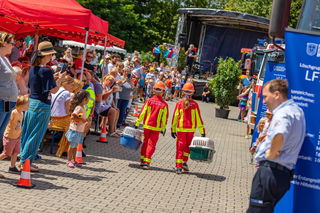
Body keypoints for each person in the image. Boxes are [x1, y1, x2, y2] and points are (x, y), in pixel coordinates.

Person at [247, 79, 306, 213]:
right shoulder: (297, 111)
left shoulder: (283, 113)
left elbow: (280, 133)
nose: (264, 101)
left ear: (277, 95)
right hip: (282, 175)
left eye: (265, 96)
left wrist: (271, 153)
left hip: (270, 171)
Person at [20, 41, 63, 172]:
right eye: (50, 55)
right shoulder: (46, 70)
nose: (51, 57)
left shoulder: (32, 68)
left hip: (31, 103)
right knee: (36, 135)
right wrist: (60, 80)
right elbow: (54, 90)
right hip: (42, 106)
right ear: (46, 55)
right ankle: (26, 162)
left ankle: (23, 159)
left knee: (27, 133)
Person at [171, 82, 205, 174]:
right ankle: (184, 162)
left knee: (180, 147)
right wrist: (202, 131)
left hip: (181, 130)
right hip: (191, 130)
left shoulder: (179, 103)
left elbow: (175, 117)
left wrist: (173, 130)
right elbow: (198, 118)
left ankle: (178, 167)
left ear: (183, 92)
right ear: (193, 93)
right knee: (187, 147)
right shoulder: (194, 104)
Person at [134, 81, 168, 170]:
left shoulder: (149, 101)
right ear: (163, 91)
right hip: (156, 128)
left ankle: (142, 160)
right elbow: (164, 119)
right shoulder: (164, 104)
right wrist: (163, 128)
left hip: (147, 126)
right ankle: (147, 162)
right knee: (151, 144)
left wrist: (137, 123)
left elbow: (142, 112)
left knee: (145, 142)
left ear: (153, 91)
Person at [0, 32, 19, 155]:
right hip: (2, 100)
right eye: (11, 43)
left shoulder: (5, 59)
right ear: (4, 43)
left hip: (8, 101)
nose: (13, 46)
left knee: (1, 132)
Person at [0, 95, 29, 175]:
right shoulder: (13, 112)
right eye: (27, 104)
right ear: (21, 105)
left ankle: (12, 167)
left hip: (17, 136)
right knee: (6, 154)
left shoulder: (22, 113)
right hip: (10, 136)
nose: (28, 106)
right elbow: (7, 122)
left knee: (16, 152)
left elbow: (19, 125)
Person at [49, 76, 74, 158]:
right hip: (61, 120)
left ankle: (63, 146)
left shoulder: (56, 90)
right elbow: (67, 111)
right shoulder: (66, 93)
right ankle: (63, 149)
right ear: (66, 84)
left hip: (51, 118)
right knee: (73, 127)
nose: (73, 87)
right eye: (72, 85)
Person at [65, 90, 89, 168]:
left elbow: (79, 116)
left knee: (75, 146)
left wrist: (83, 119)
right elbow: (73, 116)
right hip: (75, 129)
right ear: (83, 99)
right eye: (87, 98)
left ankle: (74, 160)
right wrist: (82, 120)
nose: (88, 100)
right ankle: (69, 160)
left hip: (79, 130)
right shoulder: (79, 107)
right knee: (72, 146)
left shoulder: (82, 107)